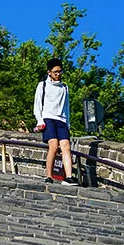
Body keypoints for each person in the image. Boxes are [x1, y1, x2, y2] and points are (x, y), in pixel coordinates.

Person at [33, 58, 79, 186]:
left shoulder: (64, 87)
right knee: (53, 145)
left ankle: (69, 176)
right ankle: (49, 175)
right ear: (49, 72)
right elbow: (37, 104)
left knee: (66, 146)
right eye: (55, 72)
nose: (58, 74)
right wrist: (39, 120)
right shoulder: (43, 85)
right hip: (48, 118)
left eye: (60, 71)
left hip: (62, 120)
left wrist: (68, 123)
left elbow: (66, 107)